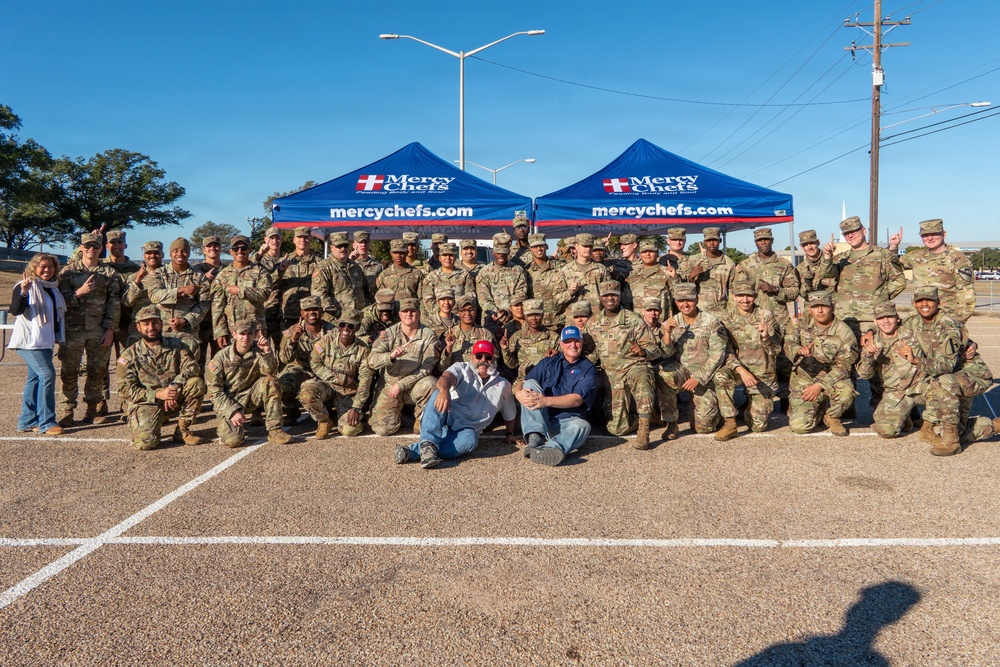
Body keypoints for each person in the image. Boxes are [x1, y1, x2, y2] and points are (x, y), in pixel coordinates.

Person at [396, 340, 518, 468]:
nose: (483, 360)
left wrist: (510, 434)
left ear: (494, 359)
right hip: (442, 420)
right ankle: (427, 444)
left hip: (465, 431)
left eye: (488, 357)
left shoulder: (504, 385)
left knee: (470, 441)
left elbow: (509, 413)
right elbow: (446, 378)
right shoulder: (462, 368)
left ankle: (413, 451)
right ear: (472, 357)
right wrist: (444, 390)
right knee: (438, 392)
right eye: (479, 356)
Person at [118, 305, 207, 449]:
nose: (151, 327)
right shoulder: (129, 355)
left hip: (174, 396)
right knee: (145, 444)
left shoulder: (177, 345)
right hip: (147, 401)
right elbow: (126, 390)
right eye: (146, 324)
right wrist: (158, 394)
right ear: (138, 327)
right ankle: (157, 421)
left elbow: (192, 367)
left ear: (161, 324)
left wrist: (174, 386)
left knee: (196, 383)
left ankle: (182, 431)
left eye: (155, 323)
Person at [57, 231, 122, 426]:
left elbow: (114, 303)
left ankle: (92, 409)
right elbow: (59, 301)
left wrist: (110, 329)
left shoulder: (109, 273)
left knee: (97, 370)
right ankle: (67, 409)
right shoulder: (67, 272)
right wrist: (78, 293)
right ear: (81, 247)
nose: (91, 249)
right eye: (87, 246)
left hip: (98, 330)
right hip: (73, 330)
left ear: (101, 248)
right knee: (69, 370)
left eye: (95, 246)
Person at [586, 280, 659, 448]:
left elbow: (654, 349)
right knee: (616, 429)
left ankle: (644, 430)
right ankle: (642, 416)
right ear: (600, 298)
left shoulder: (633, 319)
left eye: (614, 295)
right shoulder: (593, 323)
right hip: (611, 376)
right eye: (606, 295)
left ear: (619, 297)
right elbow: (588, 351)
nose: (610, 298)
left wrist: (643, 351)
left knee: (642, 376)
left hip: (633, 366)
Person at [514, 325, 599, 467]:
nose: (573, 345)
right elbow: (523, 382)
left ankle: (552, 449)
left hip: (566, 423)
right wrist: (518, 394)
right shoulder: (548, 362)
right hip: (542, 418)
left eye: (577, 341)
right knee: (530, 383)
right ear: (561, 344)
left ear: (582, 343)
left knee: (582, 426)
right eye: (568, 341)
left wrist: (545, 401)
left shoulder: (588, 369)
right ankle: (534, 439)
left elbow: (577, 400)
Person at [206, 319, 296, 447]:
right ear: (234, 334)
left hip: (251, 397)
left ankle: (275, 430)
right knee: (233, 441)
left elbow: (271, 372)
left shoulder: (259, 350)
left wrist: (266, 352)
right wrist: (232, 411)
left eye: (249, 334)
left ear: (255, 335)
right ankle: (230, 427)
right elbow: (214, 391)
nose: (245, 338)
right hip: (229, 401)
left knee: (271, 382)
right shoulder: (221, 357)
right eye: (242, 334)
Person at [659, 283, 732, 438]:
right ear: (676, 302)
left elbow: (718, 354)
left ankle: (714, 410)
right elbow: (666, 354)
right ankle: (671, 424)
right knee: (664, 376)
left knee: (704, 427)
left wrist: (698, 378)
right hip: (683, 370)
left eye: (689, 300)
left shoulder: (711, 321)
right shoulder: (673, 322)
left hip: (705, 374)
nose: (685, 304)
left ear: (697, 299)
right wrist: (667, 334)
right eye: (681, 300)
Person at [784, 291, 859, 436]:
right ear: (809, 308)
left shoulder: (844, 332)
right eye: (815, 306)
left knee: (846, 391)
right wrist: (798, 349)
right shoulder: (800, 323)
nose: (819, 310)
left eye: (824, 306)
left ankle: (832, 416)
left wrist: (819, 385)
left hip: (831, 379)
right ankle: (818, 410)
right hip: (804, 379)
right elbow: (788, 343)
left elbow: (844, 366)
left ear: (832, 306)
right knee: (800, 427)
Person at [9, 252, 66, 435]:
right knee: (47, 375)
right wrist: (24, 292)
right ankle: (47, 422)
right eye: (43, 266)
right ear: (34, 267)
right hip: (29, 343)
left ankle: (27, 421)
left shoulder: (52, 288)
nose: (47, 270)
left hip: (44, 342)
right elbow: (15, 310)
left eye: (50, 266)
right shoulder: (25, 286)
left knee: (34, 379)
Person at [366, 297, 438, 436]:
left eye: (413, 311)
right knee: (383, 430)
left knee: (431, 384)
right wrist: (390, 356)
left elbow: (426, 368)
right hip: (389, 387)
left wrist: (401, 385)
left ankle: (420, 417)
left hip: (414, 386)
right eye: (405, 311)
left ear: (419, 313)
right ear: (399, 314)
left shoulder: (428, 336)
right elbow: (372, 360)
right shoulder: (389, 334)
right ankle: (400, 416)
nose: (409, 314)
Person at [299, 309, 375, 439]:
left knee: (349, 430)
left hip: (347, 393)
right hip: (327, 386)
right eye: (342, 325)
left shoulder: (363, 350)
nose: (346, 329)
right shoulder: (326, 340)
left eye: (350, 326)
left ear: (357, 328)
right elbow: (315, 363)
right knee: (307, 392)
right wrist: (336, 378)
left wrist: (356, 408)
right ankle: (324, 421)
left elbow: (365, 381)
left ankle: (350, 415)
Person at [718, 281, 782, 436]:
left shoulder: (765, 315)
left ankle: (747, 408)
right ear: (733, 297)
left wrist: (766, 337)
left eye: (748, 295)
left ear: (755, 296)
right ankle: (730, 423)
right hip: (737, 369)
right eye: (740, 296)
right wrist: (741, 370)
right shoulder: (726, 317)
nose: (745, 300)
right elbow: (723, 349)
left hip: (762, 374)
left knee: (758, 426)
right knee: (720, 377)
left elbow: (776, 350)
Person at [887, 218, 977, 323]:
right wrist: (893, 246)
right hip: (917, 318)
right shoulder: (917, 257)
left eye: (934, 234)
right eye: (925, 235)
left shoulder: (957, 258)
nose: (929, 238)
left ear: (944, 234)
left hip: (945, 319)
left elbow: (967, 295)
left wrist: (957, 322)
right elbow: (893, 264)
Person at [146, 237, 213, 356]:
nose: (180, 254)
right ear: (170, 253)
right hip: (162, 331)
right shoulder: (158, 274)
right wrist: (180, 290)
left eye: (184, 251)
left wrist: (185, 320)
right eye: (176, 251)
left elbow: (204, 304)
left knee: (189, 370)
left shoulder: (199, 277)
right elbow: (154, 295)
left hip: (188, 333)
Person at [276, 296, 334, 425]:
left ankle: (329, 407)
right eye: (307, 310)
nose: (311, 312)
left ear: (322, 311)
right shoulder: (292, 331)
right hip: (302, 370)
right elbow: (284, 359)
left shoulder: (333, 330)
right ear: (302, 313)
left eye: (315, 309)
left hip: (324, 370)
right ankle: (291, 409)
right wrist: (294, 340)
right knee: (284, 381)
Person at [212, 235, 272, 349]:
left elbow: (265, 293)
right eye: (236, 248)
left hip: (255, 330)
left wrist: (240, 291)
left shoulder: (260, 272)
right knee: (233, 364)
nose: (240, 251)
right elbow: (217, 306)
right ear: (231, 251)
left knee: (257, 363)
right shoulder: (222, 275)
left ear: (249, 250)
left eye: (244, 248)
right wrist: (220, 331)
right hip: (232, 331)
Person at [476, 232, 528, 336]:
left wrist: (509, 312)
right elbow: (483, 299)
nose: (501, 255)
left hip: (514, 320)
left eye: (504, 252)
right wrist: (499, 313)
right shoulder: (484, 272)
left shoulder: (517, 270)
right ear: (493, 252)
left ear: (509, 252)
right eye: (498, 252)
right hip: (491, 320)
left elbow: (521, 294)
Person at [312, 231, 369, 322]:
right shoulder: (324, 267)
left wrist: (365, 311)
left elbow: (366, 290)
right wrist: (338, 314)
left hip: (357, 319)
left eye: (345, 246)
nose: (343, 249)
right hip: (335, 321)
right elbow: (319, 295)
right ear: (331, 248)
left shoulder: (355, 267)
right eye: (339, 246)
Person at [500, 299, 558, 383]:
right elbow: (512, 365)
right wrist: (505, 350)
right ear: (525, 316)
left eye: (537, 315)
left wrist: (557, 353)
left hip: (547, 381)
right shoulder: (517, 337)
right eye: (530, 315)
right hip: (523, 381)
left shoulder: (553, 337)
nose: (534, 318)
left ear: (542, 315)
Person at [524, 232, 574, 328]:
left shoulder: (560, 267)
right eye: (535, 247)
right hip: (536, 323)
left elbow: (575, 272)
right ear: (530, 250)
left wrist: (569, 258)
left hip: (559, 321)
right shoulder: (526, 271)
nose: (539, 249)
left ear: (546, 246)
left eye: (541, 246)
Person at [191, 234, 226, 368]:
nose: (213, 248)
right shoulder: (195, 270)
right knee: (198, 361)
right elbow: (189, 292)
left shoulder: (227, 270)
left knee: (220, 361)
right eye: (209, 246)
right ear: (203, 250)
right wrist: (202, 280)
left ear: (220, 248)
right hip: (201, 322)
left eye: (216, 246)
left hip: (221, 322)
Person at [436, 295, 494, 374]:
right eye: (463, 310)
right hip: (456, 377)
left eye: (471, 310)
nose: (468, 313)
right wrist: (449, 347)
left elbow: (492, 364)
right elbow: (442, 367)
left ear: (476, 311)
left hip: (478, 377)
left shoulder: (486, 334)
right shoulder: (448, 335)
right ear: (458, 312)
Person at [279, 226, 322, 328]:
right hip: (289, 314)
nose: (303, 240)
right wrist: (280, 270)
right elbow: (273, 285)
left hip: (311, 314)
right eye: (299, 237)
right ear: (294, 240)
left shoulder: (320, 262)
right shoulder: (284, 261)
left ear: (311, 239)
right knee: (288, 343)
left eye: (306, 237)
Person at [687, 227, 735, 317]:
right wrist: (691, 276)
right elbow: (684, 289)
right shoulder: (694, 260)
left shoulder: (729, 263)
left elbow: (732, 291)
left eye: (715, 240)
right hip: (698, 311)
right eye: (709, 240)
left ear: (720, 241)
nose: (712, 243)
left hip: (720, 312)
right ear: (704, 242)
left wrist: (730, 311)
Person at [419, 242, 475, 318]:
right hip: (438, 319)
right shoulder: (432, 277)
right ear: (439, 258)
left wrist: (459, 313)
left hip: (460, 317)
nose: (448, 258)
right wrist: (442, 314)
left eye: (451, 255)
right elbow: (428, 299)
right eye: (444, 255)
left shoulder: (464, 275)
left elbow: (470, 297)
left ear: (455, 257)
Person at [561, 233, 610, 316]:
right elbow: (556, 299)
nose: (588, 249)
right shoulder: (566, 270)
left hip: (596, 318)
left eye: (590, 246)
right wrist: (570, 292)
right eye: (585, 246)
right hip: (574, 318)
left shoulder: (601, 269)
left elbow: (609, 295)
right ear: (576, 246)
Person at [253, 226, 285, 345]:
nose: (274, 241)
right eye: (271, 238)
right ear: (265, 239)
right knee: (261, 350)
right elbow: (251, 268)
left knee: (282, 351)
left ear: (281, 240)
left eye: (277, 238)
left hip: (282, 314)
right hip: (264, 312)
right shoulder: (260, 259)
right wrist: (260, 254)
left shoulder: (286, 259)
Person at [627, 239, 675, 317]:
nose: (648, 254)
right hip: (638, 323)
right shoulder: (633, 274)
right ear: (640, 254)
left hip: (661, 322)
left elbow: (677, 295)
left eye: (651, 251)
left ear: (657, 253)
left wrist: (674, 277)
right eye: (644, 252)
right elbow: (627, 301)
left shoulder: (666, 272)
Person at [794, 229, 834, 302]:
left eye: (812, 243)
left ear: (818, 242)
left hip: (832, 306)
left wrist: (828, 256)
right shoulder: (799, 269)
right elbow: (804, 295)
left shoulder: (831, 260)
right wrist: (807, 283)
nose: (809, 247)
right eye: (805, 245)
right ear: (802, 247)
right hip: (812, 308)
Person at [351, 231, 383, 296]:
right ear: (354, 245)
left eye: (366, 242)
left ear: (369, 244)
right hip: (354, 304)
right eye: (360, 242)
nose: (363, 245)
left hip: (372, 303)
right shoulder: (349, 264)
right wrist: (349, 260)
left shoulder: (378, 266)